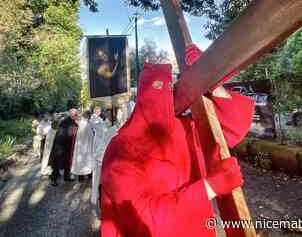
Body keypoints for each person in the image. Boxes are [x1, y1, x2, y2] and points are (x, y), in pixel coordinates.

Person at [100, 44, 255, 237]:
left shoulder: (183, 128)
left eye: (175, 88)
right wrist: (210, 186)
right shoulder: (121, 148)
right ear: (145, 97)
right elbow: (143, 221)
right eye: (166, 88)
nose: (173, 94)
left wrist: (211, 83)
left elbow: (235, 125)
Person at [49, 108, 80, 186]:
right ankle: (53, 179)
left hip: (67, 146)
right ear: (72, 115)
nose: (77, 116)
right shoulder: (65, 122)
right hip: (60, 146)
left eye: (77, 114)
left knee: (67, 162)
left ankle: (66, 176)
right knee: (57, 163)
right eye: (76, 114)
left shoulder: (72, 122)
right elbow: (69, 134)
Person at [71, 110, 94, 182]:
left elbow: (76, 119)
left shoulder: (80, 122)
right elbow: (91, 136)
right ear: (88, 116)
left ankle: (81, 178)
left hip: (80, 145)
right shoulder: (86, 124)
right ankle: (88, 175)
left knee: (80, 162)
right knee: (86, 161)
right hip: (86, 146)